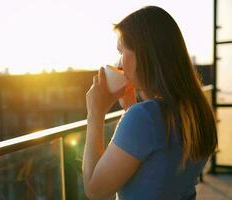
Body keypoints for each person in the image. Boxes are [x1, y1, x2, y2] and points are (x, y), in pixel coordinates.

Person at [83, 6, 218, 200]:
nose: (119, 62)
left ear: (143, 54)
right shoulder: (197, 111)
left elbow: (95, 190)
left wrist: (95, 114)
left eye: (122, 52)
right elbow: (157, 160)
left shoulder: (144, 118)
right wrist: (130, 107)